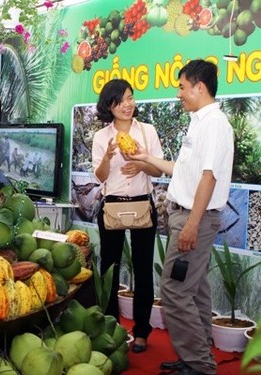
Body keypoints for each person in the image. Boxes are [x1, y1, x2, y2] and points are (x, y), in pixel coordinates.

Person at [130, 60, 234, 375]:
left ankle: (200, 365)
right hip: (187, 215)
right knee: (195, 289)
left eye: (181, 86)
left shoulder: (214, 123)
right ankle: (196, 355)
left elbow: (208, 178)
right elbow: (185, 170)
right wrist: (148, 158)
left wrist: (191, 224)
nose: (179, 94)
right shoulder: (199, 122)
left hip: (195, 220)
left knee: (174, 291)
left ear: (199, 87)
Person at [92, 79, 164, 354]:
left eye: (131, 98)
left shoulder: (147, 131)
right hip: (113, 205)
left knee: (144, 269)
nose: (128, 105)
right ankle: (111, 325)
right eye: (121, 101)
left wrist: (141, 164)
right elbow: (99, 177)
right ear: (109, 105)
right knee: (109, 269)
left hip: (142, 205)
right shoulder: (101, 137)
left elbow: (158, 171)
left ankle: (142, 331)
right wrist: (109, 157)